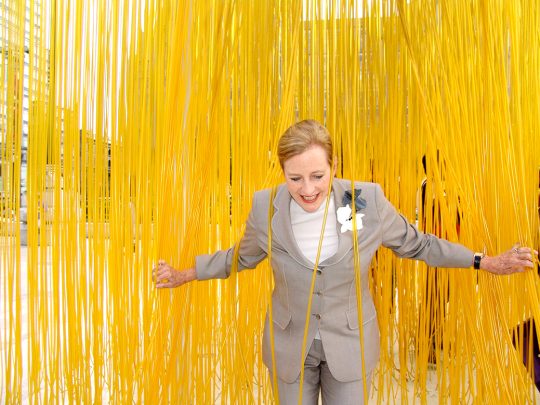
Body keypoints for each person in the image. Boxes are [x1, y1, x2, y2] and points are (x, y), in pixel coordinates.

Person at [153, 119, 537, 405]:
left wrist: (483, 262)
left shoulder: (361, 200)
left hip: (350, 343)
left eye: (318, 175)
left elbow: (418, 244)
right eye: (295, 178)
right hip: (289, 346)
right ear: (282, 173)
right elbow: (243, 256)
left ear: (334, 166)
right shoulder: (265, 205)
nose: (308, 189)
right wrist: (185, 273)